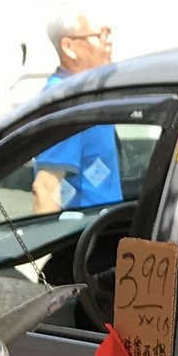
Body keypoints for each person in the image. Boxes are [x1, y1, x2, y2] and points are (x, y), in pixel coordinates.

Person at [31, 12, 123, 216]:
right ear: (69, 47)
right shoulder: (64, 102)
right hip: (81, 238)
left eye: (109, 32)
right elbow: (45, 188)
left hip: (103, 229)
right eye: (100, 35)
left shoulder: (86, 93)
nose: (109, 42)